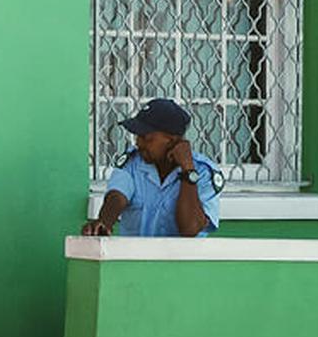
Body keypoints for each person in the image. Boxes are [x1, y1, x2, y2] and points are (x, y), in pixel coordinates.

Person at [83, 98, 221, 238]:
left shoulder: (203, 172)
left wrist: (188, 171)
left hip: (181, 253)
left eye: (146, 138)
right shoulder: (132, 163)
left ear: (172, 141)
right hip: (134, 252)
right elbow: (117, 197)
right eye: (137, 137)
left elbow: (190, 229)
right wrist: (104, 222)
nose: (139, 143)